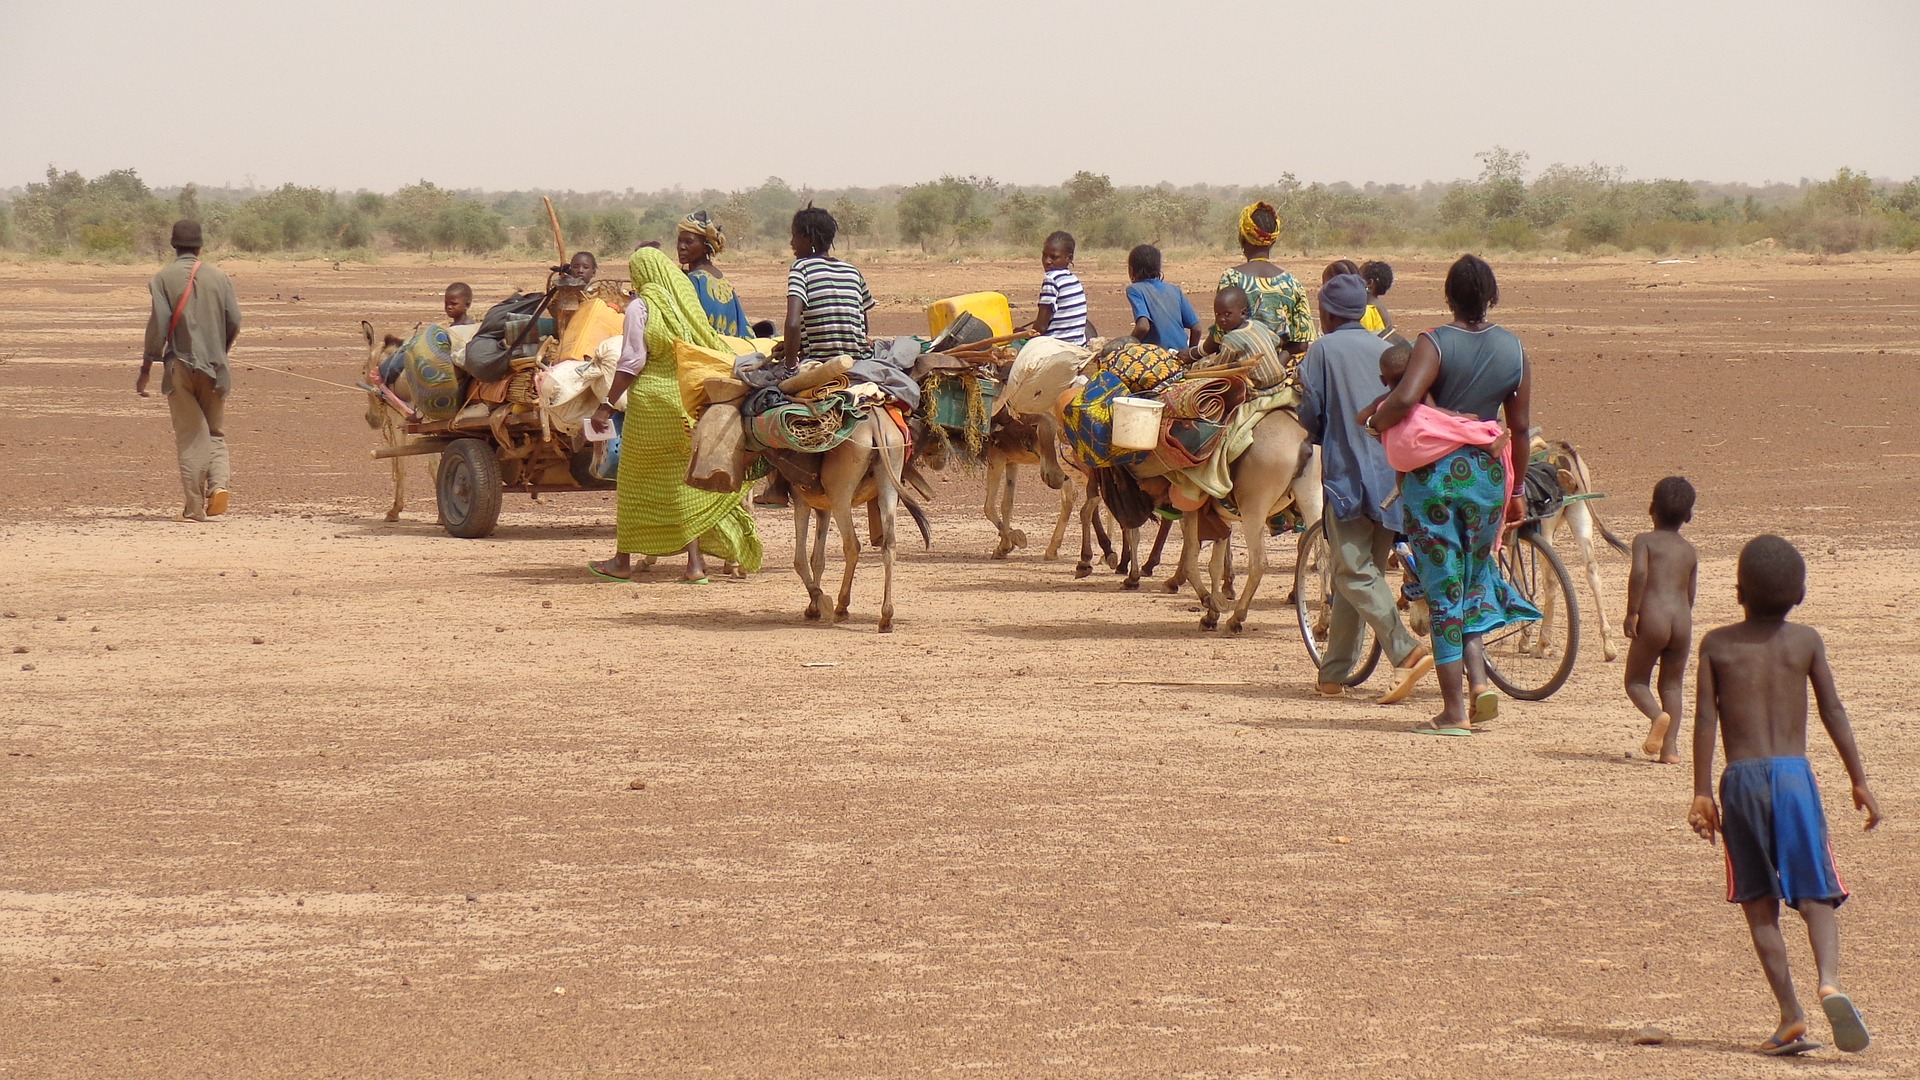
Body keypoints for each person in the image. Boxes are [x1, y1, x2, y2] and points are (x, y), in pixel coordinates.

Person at [1690, 534, 1880, 1057]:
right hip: (1796, 778)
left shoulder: (1717, 644)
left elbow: (1706, 718)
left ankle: (1791, 1014)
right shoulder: (1806, 641)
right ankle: (1829, 981)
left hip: (1741, 779)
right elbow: (1833, 711)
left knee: (1758, 901)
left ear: (1737, 592)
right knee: (1817, 891)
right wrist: (1858, 779)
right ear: (1800, 595)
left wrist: (1702, 791)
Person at [1366, 254, 1539, 735]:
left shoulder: (1434, 342)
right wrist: (1517, 489)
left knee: (1443, 588)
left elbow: (1403, 398)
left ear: (1448, 296)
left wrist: (1375, 423)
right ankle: (1480, 684)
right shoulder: (1515, 350)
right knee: (1476, 579)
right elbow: (1520, 429)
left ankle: (1453, 711)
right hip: (1488, 477)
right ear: (1493, 297)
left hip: (1435, 479)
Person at [585, 247, 762, 584]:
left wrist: (607, 404)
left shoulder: (640, 306)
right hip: (684, 399)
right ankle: (694, 565)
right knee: (684, 481)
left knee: (635, 482)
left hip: (650, 405)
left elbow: (632, 361)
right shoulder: (683, 303)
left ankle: (622, 561)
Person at [1296, 273, 1433, 702]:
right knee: (1359, 574)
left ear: (1327, 313)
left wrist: (1319, 434)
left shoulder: (1322, 350)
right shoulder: (1385, 349)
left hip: (1348, 476)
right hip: (1391, 475)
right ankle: (1333, 674)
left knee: (1352, 574)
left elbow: (1311, 410)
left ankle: (1405, 651)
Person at [756, 205, 875, 509]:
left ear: (808, 238)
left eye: (794, 237)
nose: (791, 244)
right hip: (859, 359)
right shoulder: (852, 271)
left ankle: (779, 484)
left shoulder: (801, 269)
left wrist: (791, 364)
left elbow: (794, 322)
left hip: (820, 363)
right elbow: (860, 322)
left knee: (765, 400)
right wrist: (794, 344)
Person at [138, 220, 242, 522]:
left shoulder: (162, 278)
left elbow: (159, 324)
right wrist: (218, 351)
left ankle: (195, 508)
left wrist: (147, 366)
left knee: (190, 436)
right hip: (216, 368)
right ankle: (219, 486)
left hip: (180, 367)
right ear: (200, 246)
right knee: (214, 433)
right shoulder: (220, 277)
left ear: (173, 246)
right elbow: (234, 319)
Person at [1624, 477, 1698, 763]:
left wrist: (1633, 611)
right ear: (1689, 516)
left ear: (1651, 508)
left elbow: (1639, 574)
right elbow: (1690, 594)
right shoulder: (1690, 551)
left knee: (1636, 681)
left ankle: (1657, 717)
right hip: (1682, 621)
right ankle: (1670, 750)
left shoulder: (1644, 541)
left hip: (1652, 618)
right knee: (1672, 685)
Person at [1220, 201, 1314, 356]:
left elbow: (1220, 336)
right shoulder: (1292, 283)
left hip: (1240, 367)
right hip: (1282, 368)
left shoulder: (1231, 278)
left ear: (1242, 237)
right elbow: (1302, 342)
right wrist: (1277, 364)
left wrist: (1194, 353)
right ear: (1273, 240)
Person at [676, 210, 753, 337]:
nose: (681, 247)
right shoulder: (719, 276)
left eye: (689, 242)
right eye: (680, 241)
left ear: (706, 247)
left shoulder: (693, 280)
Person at [381, 283, 474, 386]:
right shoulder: (456, 324)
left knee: (410, 348)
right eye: (446, 303)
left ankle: (385, 375)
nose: (448, 307)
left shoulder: (464, 328)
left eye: (453, 304)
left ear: (467, 305)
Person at [1125, 244, 1200, 351]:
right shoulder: (1174, 290)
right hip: (1180, 355)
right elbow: (1197, 328)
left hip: (1157, 357)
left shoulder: (1135, 290)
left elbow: (1143, 327)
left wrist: (1126, 348)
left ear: (1131, 270)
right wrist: (1191, 356)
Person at [1026, 230, 1088, 345]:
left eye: (1054, 257)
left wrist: (1024, 335)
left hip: (1055, 346)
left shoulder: (1051, 279)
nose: (1047, 261)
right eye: (1044, 255)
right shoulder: (1073, 279)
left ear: (1069, 258)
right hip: (1079, 345)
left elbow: (1041, 327)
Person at [1359, 261, 1403, 343]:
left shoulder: (1368, 312)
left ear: (1369, 283)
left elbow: (1365, 342)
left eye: (1358, 277)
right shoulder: (1378, 305)